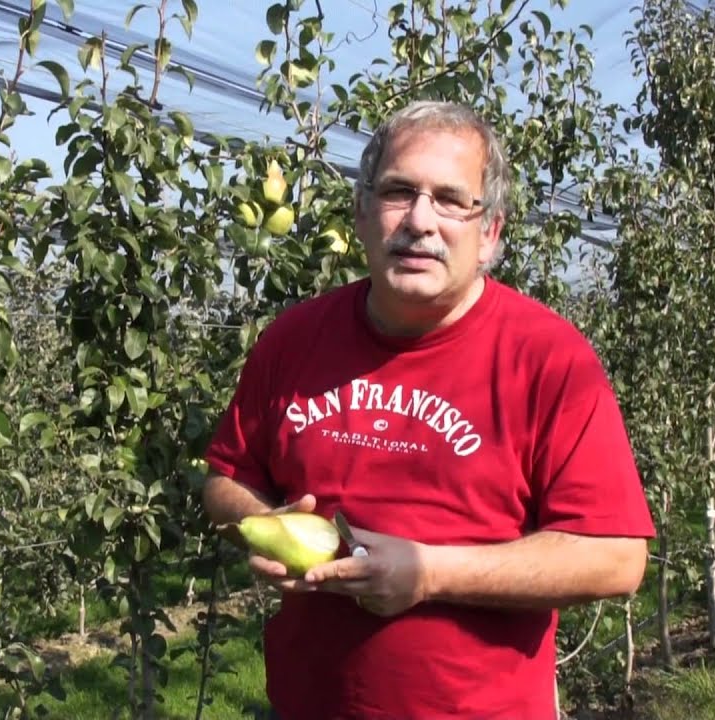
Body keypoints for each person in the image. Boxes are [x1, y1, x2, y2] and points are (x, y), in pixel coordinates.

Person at [200, 100, 656, 720]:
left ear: (489, 232)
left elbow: (616, 557)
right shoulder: (292, 341)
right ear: (362, 212)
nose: (420, 220)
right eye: (398, 191)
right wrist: (265, 523)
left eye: (450, 199)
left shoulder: (549, 360)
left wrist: (430, 574)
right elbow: (226, 479)